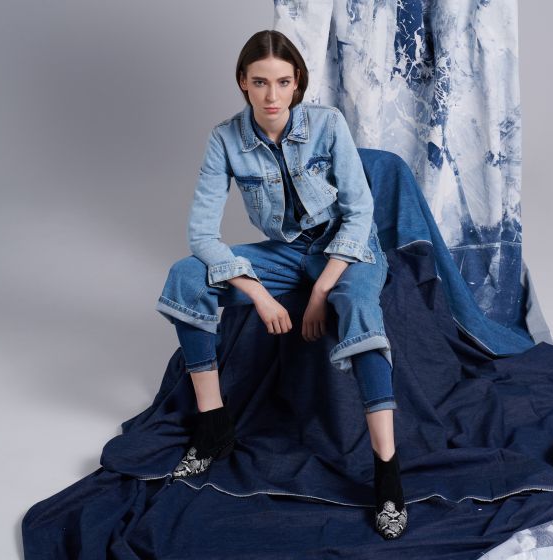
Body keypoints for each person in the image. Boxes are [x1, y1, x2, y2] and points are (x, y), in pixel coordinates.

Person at [154, 30, 407, 539]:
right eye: (260, 82)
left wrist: (320, 293)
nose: (272, 95)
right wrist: (257, 292)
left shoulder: (327, 124)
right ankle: (214, 426)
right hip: (287, 253)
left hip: (347, 248)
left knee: (359, 307)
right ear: (242, 83)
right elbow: (202, 234)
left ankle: (387, 474)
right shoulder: (225, 139)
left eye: (283, 82)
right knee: (186, 274)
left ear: (297, 83)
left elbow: (360, 214)